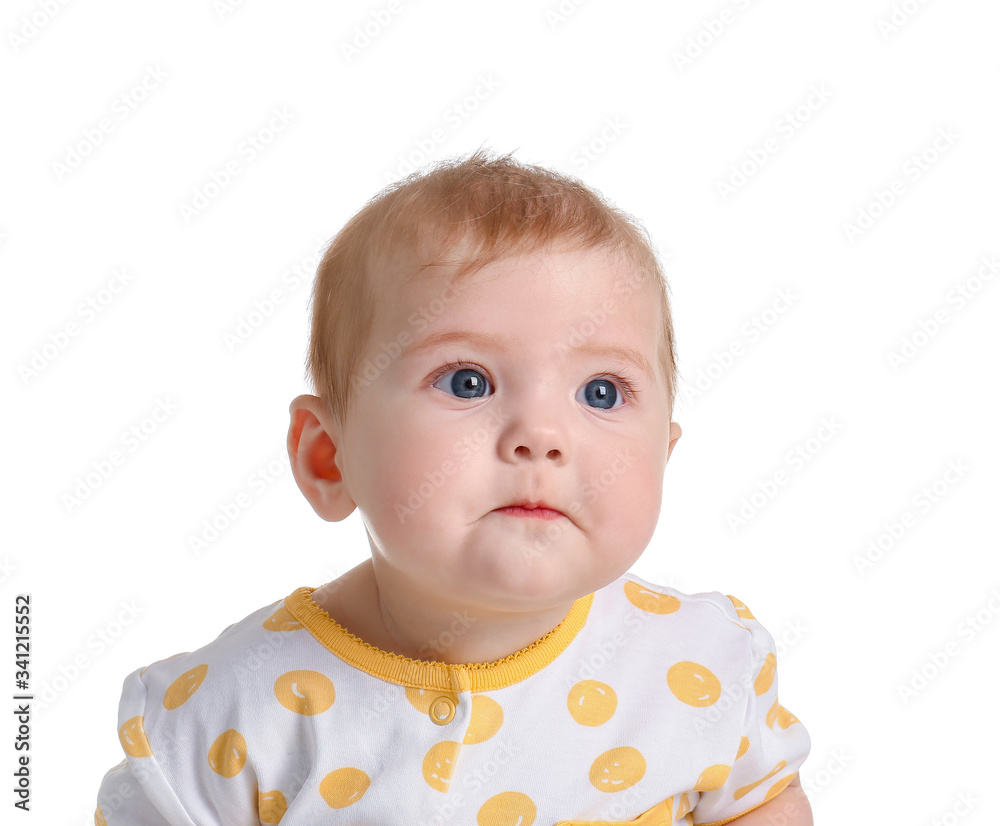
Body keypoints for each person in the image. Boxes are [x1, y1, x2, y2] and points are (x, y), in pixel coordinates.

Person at [94, 148, 811, 825]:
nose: (542, 433)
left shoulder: (701, 668)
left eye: (600, 391)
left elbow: (762, 800)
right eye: (468, 381)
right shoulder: (229, 717)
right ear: (328, 458)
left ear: (664, 455)